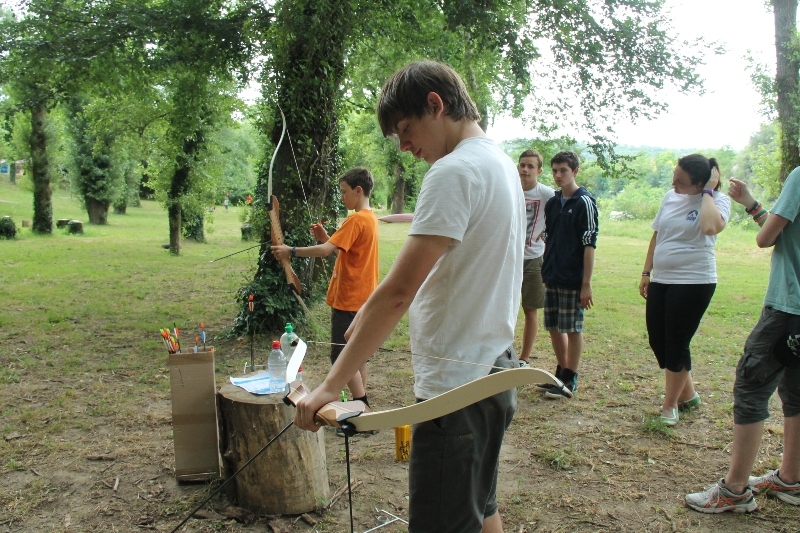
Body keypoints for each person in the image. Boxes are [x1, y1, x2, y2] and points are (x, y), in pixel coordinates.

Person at [293, 60, 525, 533]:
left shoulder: (453, 170)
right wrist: (373, 307)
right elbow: (420, 275)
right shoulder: (498, 162)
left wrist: (328, 388)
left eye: (405, 129)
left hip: (458, 391)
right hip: (493, 374)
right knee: (482, 510)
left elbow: (401, 292)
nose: (404, 146)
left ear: (435, 105)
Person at [685, 168, 800, 513]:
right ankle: (790, 479)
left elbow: (766, 239)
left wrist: (756, 213)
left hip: (788, 307)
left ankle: (735, 490)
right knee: (796, 392)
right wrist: (751, 204)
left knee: (751, 388)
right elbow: (785, 233)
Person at [271, 167, 379, 407]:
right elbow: (340, 247)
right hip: (362, 298)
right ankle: (360, 401)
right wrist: (325, 237)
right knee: (357, 352)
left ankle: (361, 404)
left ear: (358, 190)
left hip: (349, 299)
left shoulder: (356, 219)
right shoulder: (370, 218)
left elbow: (326, 251)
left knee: (340, 355)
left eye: (344, 192)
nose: (342, 197)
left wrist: (291, 251)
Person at [639, 154, 730, 425]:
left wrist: (708, 193)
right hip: (662, 279)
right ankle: (688, 394)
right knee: (659, 340)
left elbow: (709, 226)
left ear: (700, 183)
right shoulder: (670, 197)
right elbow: (657, 234)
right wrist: (647, 271)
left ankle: (670, 405)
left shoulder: (717, 201)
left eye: (681, 180)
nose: (674, 183)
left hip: (694, 281)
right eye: (674, 176)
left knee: (677, 342)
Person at [538, 151, 598, 399]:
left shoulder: (584, 202)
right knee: (554, 325)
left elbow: (589, 244)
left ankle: (571, 378)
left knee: (572, 327)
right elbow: (549, 236)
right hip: (552, 274)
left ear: (575, 171)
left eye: (563, 170)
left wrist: (586, 284)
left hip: (573, 277)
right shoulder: (553, 203)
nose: (558, 175)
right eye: (554, 170)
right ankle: (560, 373)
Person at [518, 149, 554, 366]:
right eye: (522, 165)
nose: (525, 169)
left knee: (530, 309)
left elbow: (560, 217)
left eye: (531, 166)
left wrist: (548, 233)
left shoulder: (546, 194)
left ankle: (524, 358)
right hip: (508, 258)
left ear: (539, 171)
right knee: (503, 306)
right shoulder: (509, 190)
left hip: (533, 259)